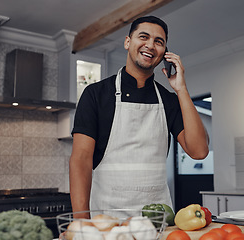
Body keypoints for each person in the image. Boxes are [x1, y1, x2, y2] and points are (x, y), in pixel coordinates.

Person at [69, 16, 209, 219]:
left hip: (157, 221)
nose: (150, 45)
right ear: (128, 42)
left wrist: (181, 90)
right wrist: (80, 222)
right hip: (107, 220)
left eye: (158, 42)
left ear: (164, 53)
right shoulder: (95, 94)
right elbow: (81, 160)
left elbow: (199, 151)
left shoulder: (169, 101)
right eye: (143, 37)